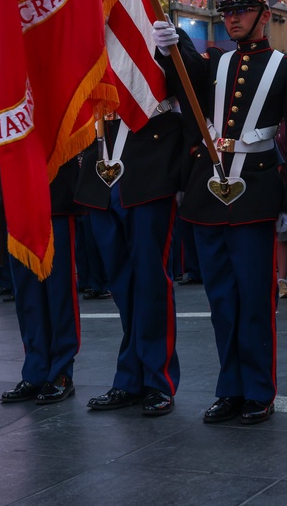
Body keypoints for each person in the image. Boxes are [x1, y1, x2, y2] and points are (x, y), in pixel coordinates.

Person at [152, 0, 287, 426]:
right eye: (226, 12)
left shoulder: (286, 68)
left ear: (264, 14)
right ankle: (230, 388)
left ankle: (258, 390)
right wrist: (173, 43)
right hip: (209, 193)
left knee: (255, 301)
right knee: (221, 301)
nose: (232, 19)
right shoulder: (215, 63)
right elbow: (186, 86)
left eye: (240, 11)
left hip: (257, 191)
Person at [81, 92, 186, 418]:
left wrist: (173, 45)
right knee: (122, 285)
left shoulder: (162, 40)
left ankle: (158, 379)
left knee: (150, 280)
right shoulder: (89, 42)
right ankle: (130, 378)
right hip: (101, 164)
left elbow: (188, 81)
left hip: (149, 163)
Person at [1, 158, 81, 405]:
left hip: (53, 192)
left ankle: (60, 373)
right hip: (19, 197)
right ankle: (35, 370)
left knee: (58, 291)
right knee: (27, 294)